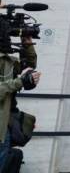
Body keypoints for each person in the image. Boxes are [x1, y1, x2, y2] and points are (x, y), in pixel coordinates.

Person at [0, 33, 40, 171]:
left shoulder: (7, 61)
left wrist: (27, 45)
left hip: (4, 126)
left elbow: (26, 67)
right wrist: (19, 82)